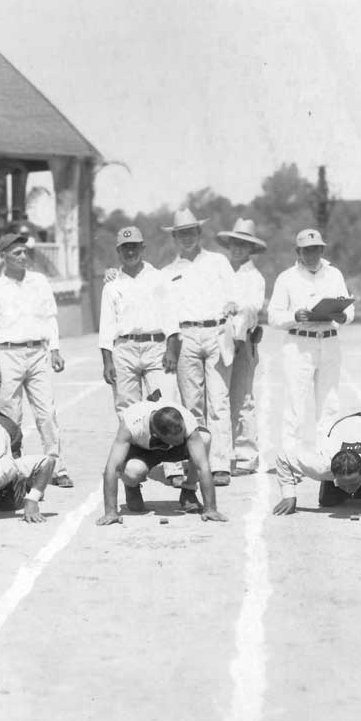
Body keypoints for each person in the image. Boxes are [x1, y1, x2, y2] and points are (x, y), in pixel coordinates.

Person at [0, 232, 72, 487]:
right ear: (4, 256)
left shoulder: (39, 281)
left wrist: (54, 348)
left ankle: (56, 467)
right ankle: (14, 468)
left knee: (46, 412)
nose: (23, 257)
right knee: (11, 415)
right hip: (7, 353)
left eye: (25, 252)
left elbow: (49, 318)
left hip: (37, 352)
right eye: (17, 253)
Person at [161, 209, 239, 484]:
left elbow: (235, 294)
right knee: (191, 405)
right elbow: (162, 307)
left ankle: (220, 465)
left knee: (218, 401)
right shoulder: (167, 273)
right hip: (185, 336)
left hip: (216, 332)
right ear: (174, 237)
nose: (186, 238)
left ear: (199, 233)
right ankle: (196, 461)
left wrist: (232, 304)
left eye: (190, 232)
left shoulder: (218, 262)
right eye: (180, 233)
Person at [267, 228, 355, 450]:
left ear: (322, 249)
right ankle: (291, 459)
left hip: (329, 340)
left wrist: (342, 315)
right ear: (298, 251)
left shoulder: (334, 274)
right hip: (299, 342)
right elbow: (273, 316)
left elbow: (349, 309)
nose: (311, 254)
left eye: (316, 249)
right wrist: (294, 316)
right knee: (295, 403)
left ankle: (326, 453)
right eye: (306, 250)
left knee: (329, 402)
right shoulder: (286, 278)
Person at [95, 400, 228, 525]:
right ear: (158, 435)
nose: (181, 440)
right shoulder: (131, 425)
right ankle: (132, 486)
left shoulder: (187, 421)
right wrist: (111, 512)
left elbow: (202, 466)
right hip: (142, 450)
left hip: (174, 450)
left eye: (182, 436)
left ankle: (189, 491)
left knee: (204, 438)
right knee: (132, 471)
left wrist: (211, 508)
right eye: (176, 439)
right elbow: (112, 468)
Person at [97, 226, 180, 411]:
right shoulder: (112, 285)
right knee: (127, 410)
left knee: (164, 406)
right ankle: (134, 441)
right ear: (118, 251)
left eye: (134, 246)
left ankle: (161, 441)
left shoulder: (158, 278)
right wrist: (107, 362)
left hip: (156, 349)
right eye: (125, 247)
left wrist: (172, 350)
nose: (130, 252)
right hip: (124, 350)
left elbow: (170, 317)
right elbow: (106, 327)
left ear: (143, 247)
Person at [217, 218, 267, 475]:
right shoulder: (221, 270)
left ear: (251, 249)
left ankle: (246, 456)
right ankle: (222, 454)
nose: (237, 249)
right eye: (234, 243)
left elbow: (252, 307)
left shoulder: (254, 277)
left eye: (243, 245)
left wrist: (233, 309)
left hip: (242, 339)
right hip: (218, 338)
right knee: (218, 399)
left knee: (242, 398)